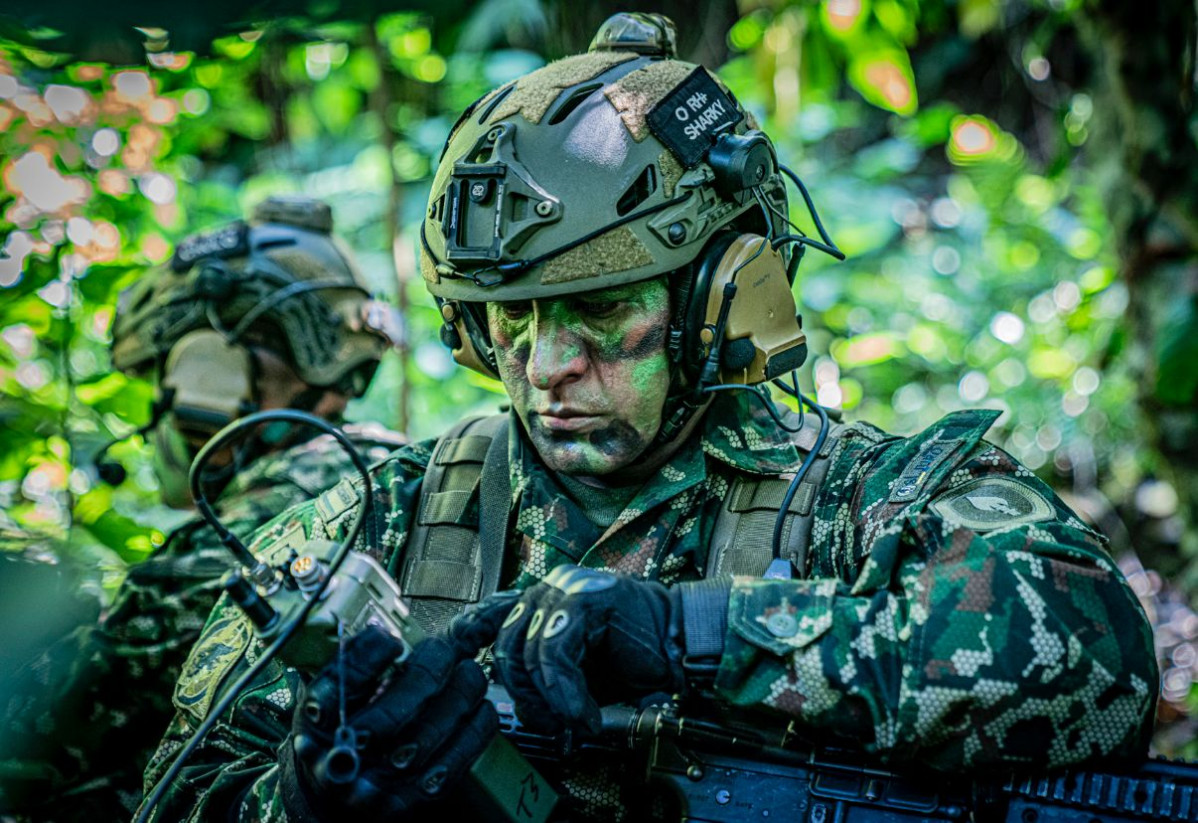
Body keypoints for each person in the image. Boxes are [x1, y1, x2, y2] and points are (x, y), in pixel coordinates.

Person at [141, 14, 1158, 823]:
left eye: (597, 308)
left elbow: (1095, 662)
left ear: (724, 292)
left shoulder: (869, 500)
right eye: (510, 317)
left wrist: (699, 637)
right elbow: (175, 790)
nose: (544, 365)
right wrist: (308, 799)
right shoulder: (376, 519)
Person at [0, 196, 405, 821]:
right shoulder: (390, 470)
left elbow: (59, 710)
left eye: (167, 371)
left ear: (204, 375)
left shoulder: (285, 505)